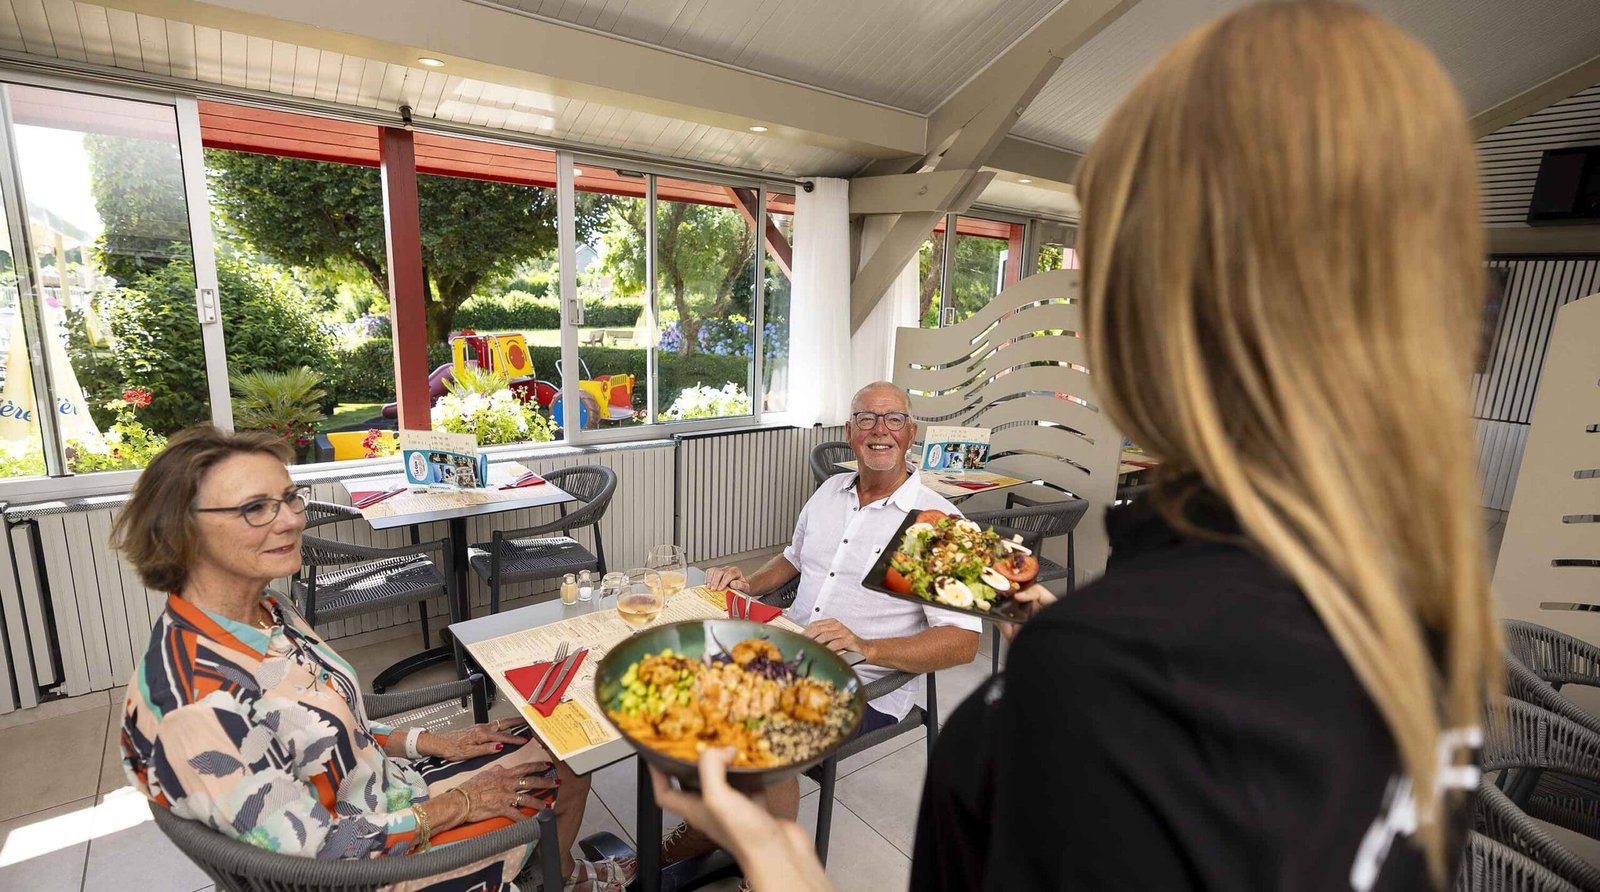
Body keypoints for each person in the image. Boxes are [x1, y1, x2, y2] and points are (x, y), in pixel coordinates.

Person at [652, 3, 1499, 890]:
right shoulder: (1431, 615)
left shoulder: (1091, 690)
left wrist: (778, 859)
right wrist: (1045, 613)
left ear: (1143, 309)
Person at [113, 425, 635, 892]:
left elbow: (324, 720)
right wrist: (462, 803)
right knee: (558, 765)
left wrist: (433, 740)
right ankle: (552, 872)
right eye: (256, 508)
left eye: (291, 498)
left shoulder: (267, 610)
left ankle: (560, 874)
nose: (292, 520)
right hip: (374, 866)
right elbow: (317, 855)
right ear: (179, 531)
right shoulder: (196, 703)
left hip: (385, 793)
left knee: (564, 738)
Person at [672, 381, 981, 862]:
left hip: (863, 680)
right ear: (849, 430)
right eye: (866, 419)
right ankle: (707, 824)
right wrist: (749, 585)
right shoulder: (830, 491)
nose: (880, 430)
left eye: (893, 419)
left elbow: (963, 643)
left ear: (911, 432)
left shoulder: (940, 524)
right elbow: (794, 558)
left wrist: (866, 645)